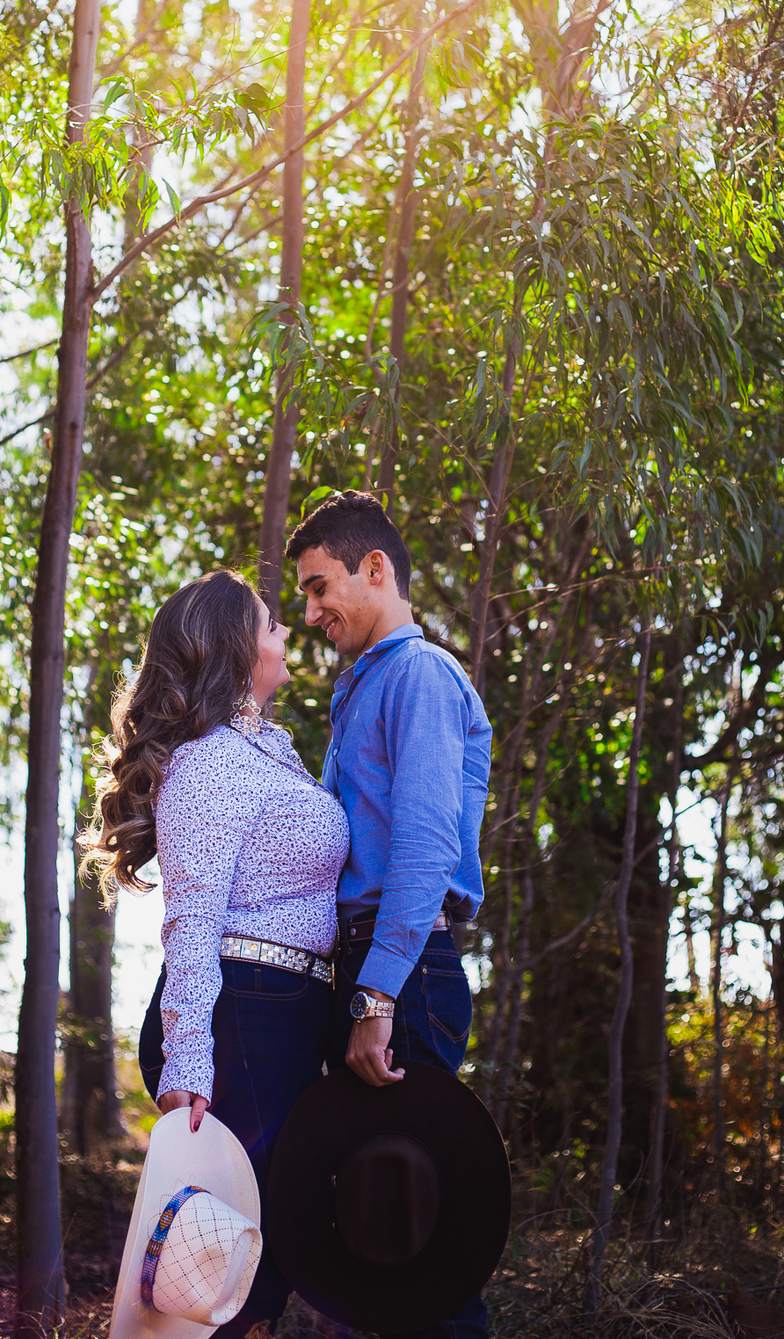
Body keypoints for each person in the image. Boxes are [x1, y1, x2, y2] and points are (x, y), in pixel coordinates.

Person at [94, 569, 349, 1339]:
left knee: (259, 1264)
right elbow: (193, 922)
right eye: (271, 625)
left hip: (288, 1015)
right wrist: (189, 1064)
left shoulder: (267, 750)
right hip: (242, 1019)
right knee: (232, 1269)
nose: (284, 634)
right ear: (238, 649)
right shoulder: (209, 764)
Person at [286, 489, 494, 1339]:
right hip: (369, 968)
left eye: (319, 585)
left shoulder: (419, 676)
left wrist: (375, 997)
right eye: (302, 594)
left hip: (399, 975)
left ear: (376, 569)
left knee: (420, 1251)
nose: (309, 611)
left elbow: (420, 850)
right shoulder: (363, 687)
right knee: (365, 1247)